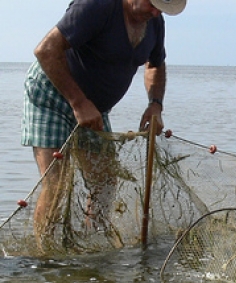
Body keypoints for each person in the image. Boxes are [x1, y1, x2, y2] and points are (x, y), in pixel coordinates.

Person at [21, 0, 186, 248]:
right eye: (153, 4)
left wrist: (155, 104)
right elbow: (45, 50)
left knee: (105, 182)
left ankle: (92, 245)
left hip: (94, 109)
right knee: (58, 185)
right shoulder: (98, 6)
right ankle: (47, 262)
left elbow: (155, 64)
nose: (155, 12)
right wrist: (78, 103)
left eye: (161, 8)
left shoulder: (154, 23)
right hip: (52, 96)